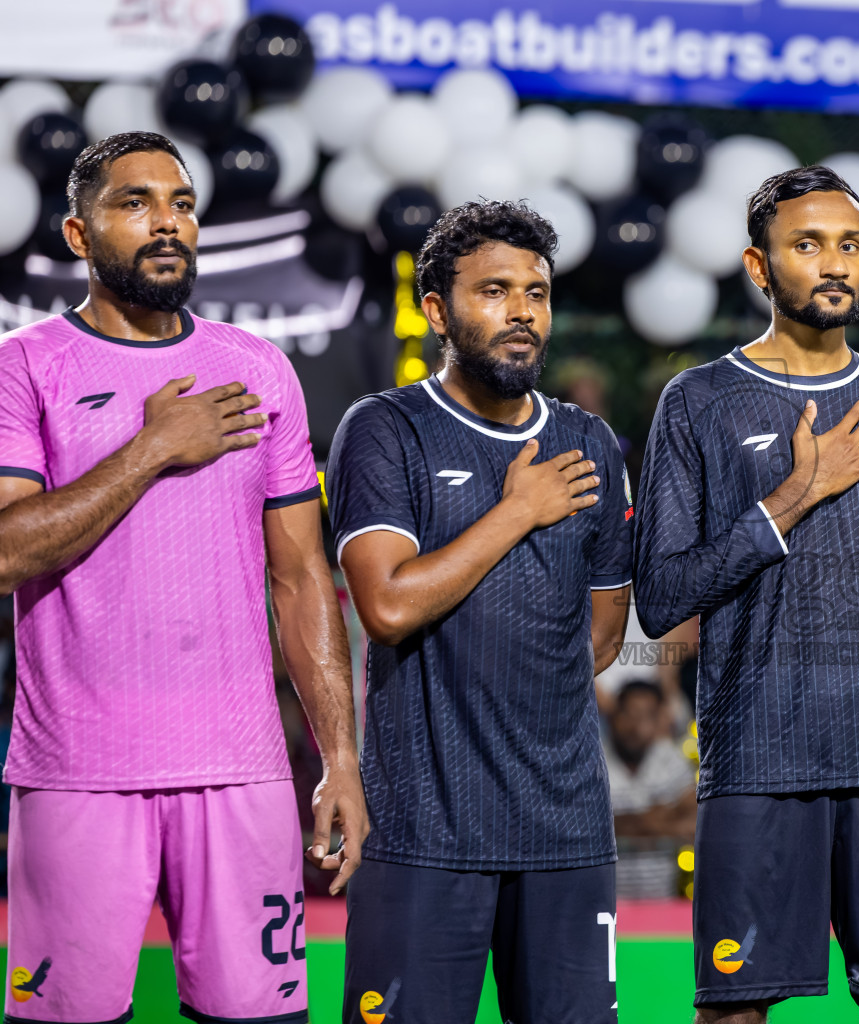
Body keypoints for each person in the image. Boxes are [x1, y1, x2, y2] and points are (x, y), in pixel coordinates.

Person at [0, 131, 366, 1024]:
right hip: (75, 771)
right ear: (80, 236)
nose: (167, 224)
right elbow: (7, 549)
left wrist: (341, 760)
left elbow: (302, 580)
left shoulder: (258, 369)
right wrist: (154, 447)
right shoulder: (25, 365)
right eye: (135, 203)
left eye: (181, 203)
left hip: (242, 773)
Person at [632, 165, 859, 1024]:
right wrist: (797, 492)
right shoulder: (700, 400)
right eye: (809, 245)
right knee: (735, 1014)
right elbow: (662, 594)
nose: (835, 263)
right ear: (760, 267)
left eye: (851, 246)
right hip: (756, 764)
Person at [327, 200, 632, 1024]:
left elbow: (602, 638)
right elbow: (387, 605)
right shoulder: (386, 430)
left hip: (566, 833)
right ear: (438, 309)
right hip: (424, 832)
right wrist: (517, 511)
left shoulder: (591, 442)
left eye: (536, 292)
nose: (522, 312)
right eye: (495, 291)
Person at [606, 678, 697, 898]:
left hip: (662, 903)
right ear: (614, 716)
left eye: (647, 716)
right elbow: (585, 827)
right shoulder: (593, 760)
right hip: (606, 903)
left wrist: (622, 823)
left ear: (658, 720)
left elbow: (695, 824)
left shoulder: (670, 760)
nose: (636, 726)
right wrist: (658, 818)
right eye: (629, 714)